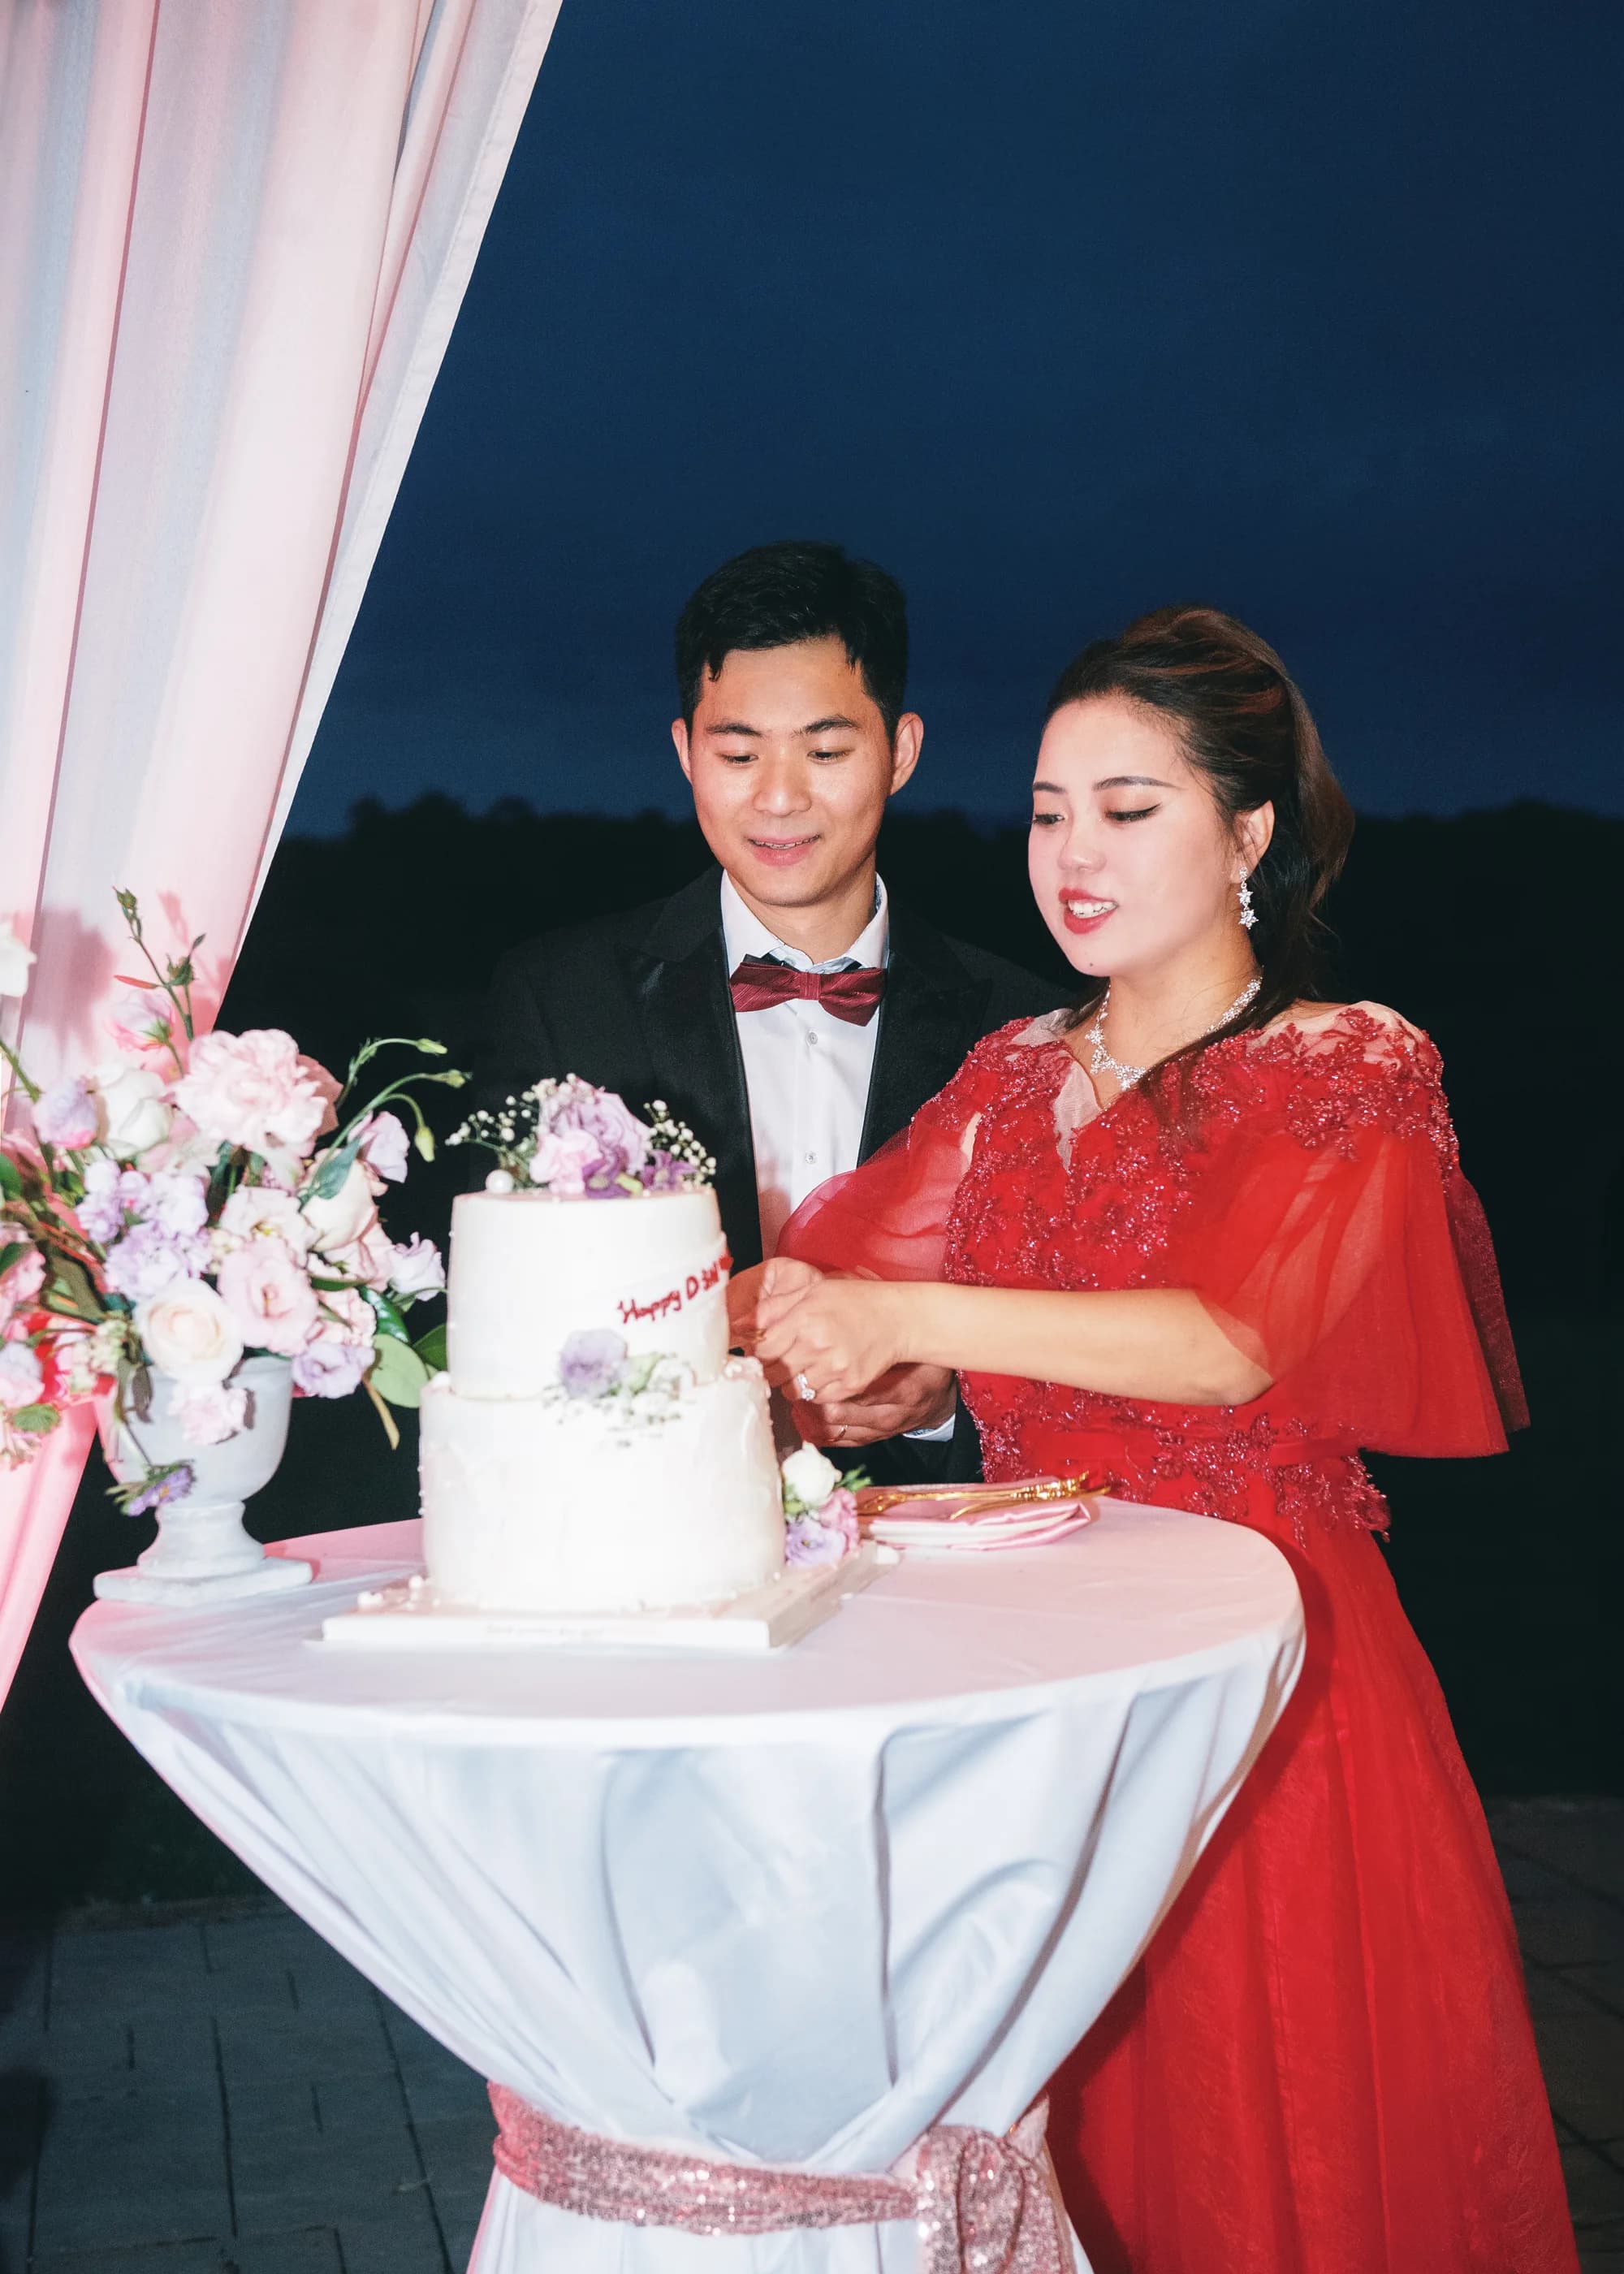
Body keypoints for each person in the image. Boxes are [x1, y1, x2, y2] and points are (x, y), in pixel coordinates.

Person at [745, 605, 1577, 2273]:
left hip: (1266, 1670)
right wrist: (792, 1348)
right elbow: (856, 1293)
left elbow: (1227, 1339)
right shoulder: (1005, 1072)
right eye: (1049, 809)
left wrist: (916, 1324)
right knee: (1073, 2104)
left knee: (1271, 2122)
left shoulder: (1346, 1063)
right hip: (1037, 1672)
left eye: (1130, 808)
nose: (1072, 852)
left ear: (1247, 829)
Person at [473, 538, 1068, 1474]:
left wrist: (951, 1392)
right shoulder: (560, 999)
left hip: (944, 1566)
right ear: (684, 753)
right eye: (739, 752)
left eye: (825, 749)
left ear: (899, 752)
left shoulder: (1024, 1028)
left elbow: (1079, 1336)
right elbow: (494, 1321)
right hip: (653, 1536)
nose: (779, 797)